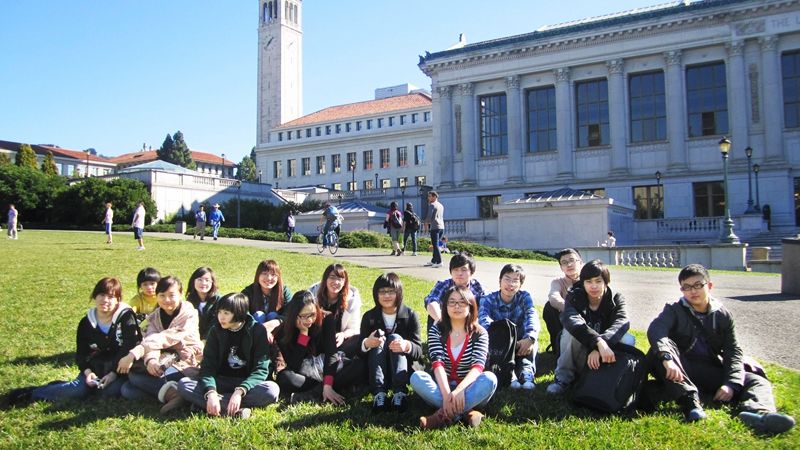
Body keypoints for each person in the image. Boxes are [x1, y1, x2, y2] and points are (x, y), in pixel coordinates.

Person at [645, 264, 795, 433]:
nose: (693, 291)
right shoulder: (674, 310)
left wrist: (730, 384)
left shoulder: (722, 315)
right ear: (682, 290)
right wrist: (667, 358)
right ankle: (691, 402)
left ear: (709, 286)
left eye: (698, 285)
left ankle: (759, 415)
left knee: (755, 380)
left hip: (707, 368)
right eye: (686, 287)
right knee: (659, 352)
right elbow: (656, 330)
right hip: (680, 368)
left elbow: (733, 350)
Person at [5, 278, 142, 405]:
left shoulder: (125, 318)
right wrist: (88, 373)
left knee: (108, 392)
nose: (105, 300)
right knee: (78, 391)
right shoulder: (86, 323)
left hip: (118, 370)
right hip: (95, 368)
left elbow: (129, 345)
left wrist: (113, 374)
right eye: (101, 295)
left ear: (118, 299)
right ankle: (31, 393)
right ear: (95, 296)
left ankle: (66, 387)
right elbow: (82, 353)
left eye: (111, 297)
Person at [177, 293, 280, 419]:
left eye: (226, 313)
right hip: (221, 381)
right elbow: (208, 366)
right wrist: (211, 392)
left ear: (239, 312)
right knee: (184, 384)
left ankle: (207, 405)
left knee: (271, 390)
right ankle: (233, 409)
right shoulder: (215, 331)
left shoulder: (257, 330)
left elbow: (261, 369)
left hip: (247, 382)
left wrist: (240, 391)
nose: (221, 317)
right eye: (219, 312)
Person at [410, 286, 497, 429]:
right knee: (417, 377)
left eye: (462, 302)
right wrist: (446, 395)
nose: (457, 306)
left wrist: (460, 390)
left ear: (470, 306)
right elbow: (437, 364)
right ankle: (466, 412)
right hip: (442, 386)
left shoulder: (480, 333)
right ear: (445, 306)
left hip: (469, 388)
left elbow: (478, 367)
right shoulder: (437, 330)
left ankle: (440, 416)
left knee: (489, 379)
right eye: (452, 302)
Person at [546, 259, 635, 395]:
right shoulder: (574, 295)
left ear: (606, 282)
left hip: (606, 349)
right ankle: (563, 379)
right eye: (588, 281)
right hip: (582, 346)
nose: (593, 286)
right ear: (583, 283)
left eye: (598, 281)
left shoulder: (616, 298)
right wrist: (597, 342)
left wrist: (602, 344)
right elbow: (572, 320)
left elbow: (622, 322)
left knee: (628, 340)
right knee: (569, 332)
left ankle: (614, 377)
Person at [117, 276, 203, 414]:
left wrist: (135, 353)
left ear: (181, 294)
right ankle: (178, 393)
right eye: (162, 295)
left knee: (135, 379)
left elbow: (166, 337)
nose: (167, 300)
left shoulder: (189, 314)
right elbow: (151, 340)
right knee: (127, 389)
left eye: (172, 295)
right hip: (163, 360)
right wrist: (151, 361)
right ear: (156, 296)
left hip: (186, 362)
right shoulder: (155, 316)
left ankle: (174, 393)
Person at [273, 291, 366, 404]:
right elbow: (294, 366)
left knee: (359, 365)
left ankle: (315, 392)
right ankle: (332, 387)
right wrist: (303, 334)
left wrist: (327, 384)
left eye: (312, 314)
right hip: (305, 375)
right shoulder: (284, 331)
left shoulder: (326, 318)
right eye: (304, 316)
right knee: (284, 377)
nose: (309, 320)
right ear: (294, 315)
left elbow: (331, 353)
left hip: (328, 368)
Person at [360, 273, 422, 412]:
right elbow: (359, 349)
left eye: (391, 291)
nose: (386, 295)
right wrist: (367, 343)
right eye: (382, 292)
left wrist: (406, 345)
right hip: (377, 364)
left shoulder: (410, 315)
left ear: (398, 293)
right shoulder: (369, 316)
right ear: (376, 294)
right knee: (378, 339)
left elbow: (419, 351)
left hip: (403, 366)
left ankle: (400, 392)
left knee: (395, 338)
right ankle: (379, 393)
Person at [478, 264, 539, 390]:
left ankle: (526, 373)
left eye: (515, 280)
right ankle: (509, 373)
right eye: (507, 279)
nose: (510, 284)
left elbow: (531, 316)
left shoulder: (524, 297)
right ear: (499, 281)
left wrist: (530, 338)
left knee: (532, 341)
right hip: (498, 342)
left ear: (520, 285)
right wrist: (508, 343)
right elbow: (484, 321)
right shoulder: (488, 299)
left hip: (521, 341)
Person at [309, 264, 362, 356]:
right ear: (325, 279)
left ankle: (336, 359)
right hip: (315, 338)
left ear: (345, 282)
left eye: (340, 279)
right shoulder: (312, 295)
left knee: (358, 340)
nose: (336, 282)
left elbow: (354, 328)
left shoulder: (351, 300)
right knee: (300, 338)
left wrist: (343, 335)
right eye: (332, 277)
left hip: (338, 343)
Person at [423, 252, 486, 330]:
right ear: (451, 272)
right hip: (445, 323)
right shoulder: (443, 285)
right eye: (456, 270)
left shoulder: (478, 288)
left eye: (464, 270)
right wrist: (441, 321)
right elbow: (431, 301)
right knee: (433, 314)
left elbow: (485, 309)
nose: (459, 273)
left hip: (469, 325)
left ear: (471, 272)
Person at [241, 260, 293, 341]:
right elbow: (242, 311)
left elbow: (291, 311)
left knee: (273, 315)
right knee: (259, 315)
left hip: (277, 331)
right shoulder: (248, 292)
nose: (269, 278)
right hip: (254, 331)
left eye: (273, 274)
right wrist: (262, 329)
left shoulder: (305, 329)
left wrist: (276, 321)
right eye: (264, 273)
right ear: (258, 275)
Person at [545, 249, 583, 356]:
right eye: (564, 262)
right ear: (561, 267)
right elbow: (554, 297)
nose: (569, 265)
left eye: (572, 260)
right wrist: (572, 311)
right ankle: (558, 348)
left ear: (580, 262)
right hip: (565, 319)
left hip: (586, 320)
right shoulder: (558, 282)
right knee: (549, 307)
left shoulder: (589, 280)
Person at [186, 266, 221, 339]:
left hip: (213, 339)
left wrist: (205, 340)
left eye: (207, 280)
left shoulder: (219, 301)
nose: (203, 283)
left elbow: (215, 324)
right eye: (199, 279)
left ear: (212, 282)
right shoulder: (189, 301)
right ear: (193, 281)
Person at [424, 191, 445, 267]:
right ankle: (434, 260)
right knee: (435, 244)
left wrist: (426, 224)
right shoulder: (441, 205)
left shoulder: (432, 205)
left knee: (435, 245)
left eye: (430, 196)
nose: (428, 198)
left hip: (435, 227)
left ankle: (439, 262)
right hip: (441, 226)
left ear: (434, 197)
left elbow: (429, 216)